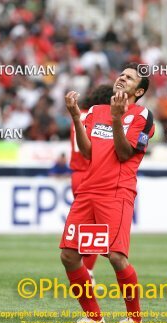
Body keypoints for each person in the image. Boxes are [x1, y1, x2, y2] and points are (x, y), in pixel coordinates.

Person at [60, 62, 155, 323]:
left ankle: (134, 319)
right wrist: (77, 117)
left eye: (129, 78)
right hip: (88, 190)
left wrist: (116, 118)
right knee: (68, 255)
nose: (121, 79)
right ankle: (93, 316)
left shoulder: (142, 116)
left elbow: (125, 154)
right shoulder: (97, 111)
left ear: (139, 91)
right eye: (121, 75)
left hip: (116, 192)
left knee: (115, 257)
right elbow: (88, 151)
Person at [69, 84, 113, 288]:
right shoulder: (98, 118)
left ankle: (84, 269)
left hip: (76, 173)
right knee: (97, 228)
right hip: (91, 173)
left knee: (89, 227)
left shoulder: (79, 115)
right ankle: (87, 270)